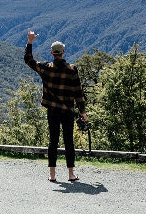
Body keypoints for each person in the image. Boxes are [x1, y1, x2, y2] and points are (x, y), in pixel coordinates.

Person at [24, 31, 88, 182]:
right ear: (63, 53)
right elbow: (78, 92)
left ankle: (52, 175)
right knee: (68, 141)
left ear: (52, 53)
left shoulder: (46, 68)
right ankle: (71, 174)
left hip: (52, 110)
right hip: (67, 111)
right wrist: (83, 112)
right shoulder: (72, 70)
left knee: (53, 141)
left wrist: (30, 41)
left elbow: (28, 59)